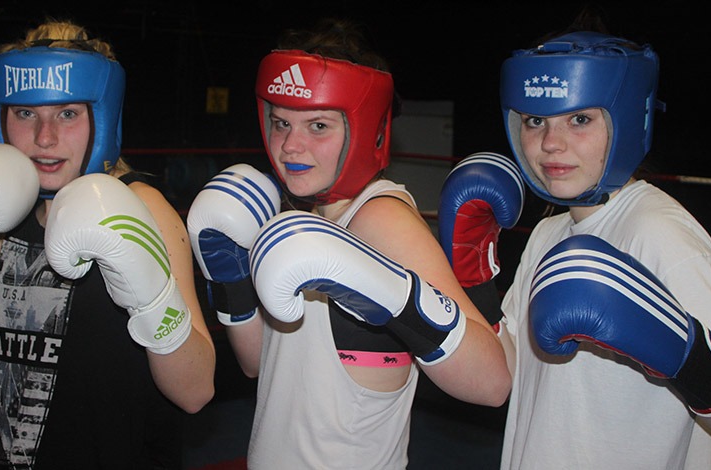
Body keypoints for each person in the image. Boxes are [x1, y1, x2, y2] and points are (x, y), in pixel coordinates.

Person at [186, 18, 511, 469]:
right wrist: (230, 278)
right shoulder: (292, 216)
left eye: (318, 126)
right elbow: (259, 366)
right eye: (281, 123)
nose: (291, 146)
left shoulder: (382, 220)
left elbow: (493, 383)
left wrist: (392, 296)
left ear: (366, 132)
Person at [480, 23, 711, 469]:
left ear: (626, 120)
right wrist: (472, 282)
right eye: (535, 120)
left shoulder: (658, 231)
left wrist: (678, 349)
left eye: (580, 118)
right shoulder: (549, 232)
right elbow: (503, 375)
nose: (549, 142)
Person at [0, 19, 216, 469]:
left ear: (103, 114)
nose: (44, 137)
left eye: (67, 113)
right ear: (0, 117)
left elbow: (196, 392)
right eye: (25, 113)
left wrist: (154, 302)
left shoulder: (143, 207)